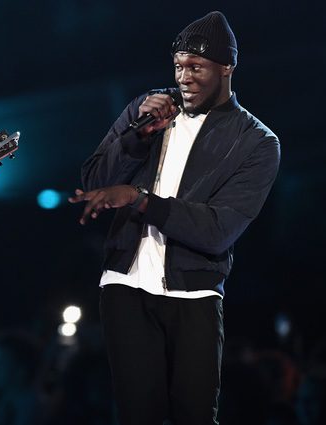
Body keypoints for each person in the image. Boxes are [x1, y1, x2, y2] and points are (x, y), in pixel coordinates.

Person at [69, 11, 280, 425]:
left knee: (195, 415)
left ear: (227, 69)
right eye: (179, 66)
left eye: (196, 67)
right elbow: (94, 179)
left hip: (194, 294)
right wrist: (136, 137)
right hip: (125, 284)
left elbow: (218, 230)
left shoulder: (256, 141)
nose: (184, 77)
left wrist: (142, 200)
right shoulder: (146, 110)